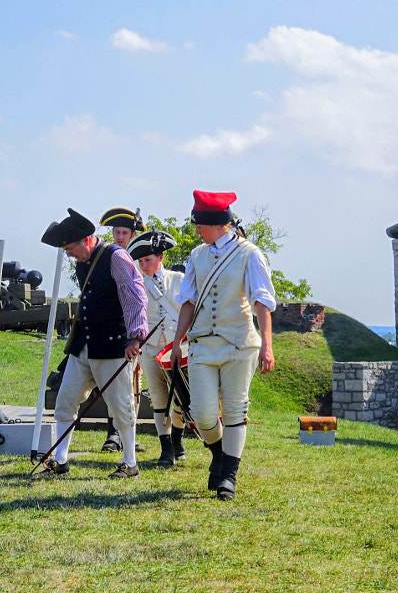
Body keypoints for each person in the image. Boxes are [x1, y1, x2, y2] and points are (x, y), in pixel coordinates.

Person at [168, 190, 276, 499]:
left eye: (199, 225)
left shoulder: (250, 253)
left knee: (234, 409)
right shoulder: (197, 255)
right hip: (202, 343)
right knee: (201, 414)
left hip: (239, 343)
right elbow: (187, 301)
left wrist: (267, 345)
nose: (196, 231)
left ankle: (229, 475)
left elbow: (262, 303)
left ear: (216, 223)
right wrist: (177, 342)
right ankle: (218, 453)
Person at [37, 208, 148, 477]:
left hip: (111, 345)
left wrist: (135, 337)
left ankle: (130, 462)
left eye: (70, 248)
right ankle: (61, 461)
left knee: (121, 406)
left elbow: (134, 296)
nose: (68, 253)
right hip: (83, 345)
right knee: (65, 401)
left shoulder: (116, 257)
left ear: (86, 240)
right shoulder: (82, 261)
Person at [128, 228, 187, 468]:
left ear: (161, 258)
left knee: (181, 399)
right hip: (151, 348)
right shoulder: (137, 284)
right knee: (159, 398)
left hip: (177, 347)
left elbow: (188, 311)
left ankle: (177, 440)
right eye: (141, 261)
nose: (144, 265)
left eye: (148, 260)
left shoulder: (179, 280)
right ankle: (166, 448)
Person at [94, 208, 144, 451]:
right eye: (116, 232)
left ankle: (128, 440)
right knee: (112, 386)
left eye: (124, 232)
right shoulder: (108, 257)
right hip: (115, 333)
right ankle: (112, 435)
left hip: (136, 333)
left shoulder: (138, 261)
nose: (120, 236)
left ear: (133, 235)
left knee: (132, 388)